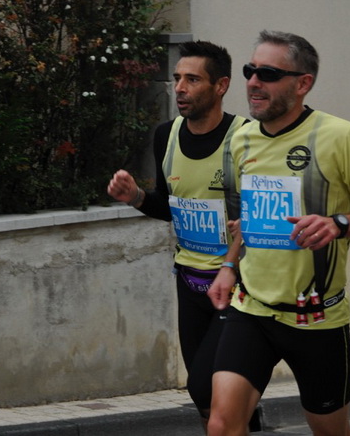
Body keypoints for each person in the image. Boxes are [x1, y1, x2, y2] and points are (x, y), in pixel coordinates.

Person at [206, 30, 350, 436]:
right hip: (252, 309)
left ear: (302, 84)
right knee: (221, 425)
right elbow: (248, 217)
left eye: (267, 73)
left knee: (329, 431)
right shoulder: (240, 139)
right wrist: (228, 266)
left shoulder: (339, 136)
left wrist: (339, 223)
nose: (253, 82)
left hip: (316, 319)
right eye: (250, 70)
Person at [106, 40, 259, 431]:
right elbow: (168, 206)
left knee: (204, 386)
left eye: (193, 79)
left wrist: (232, 260)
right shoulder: (166, 135)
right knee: (208, 400)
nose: (179, 88)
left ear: (221, 85)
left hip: (237, 286)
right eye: (177, 79)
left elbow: (259, 215)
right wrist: (136, 197)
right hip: (190, 284)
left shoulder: (247, 138)